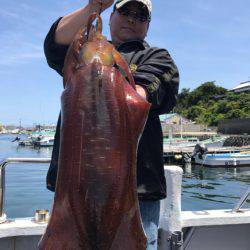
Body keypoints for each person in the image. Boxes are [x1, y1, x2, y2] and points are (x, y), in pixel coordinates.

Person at [44, 0, 179, 249]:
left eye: (140, 16)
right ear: (111, 16)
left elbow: (150, 90)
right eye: (125, 11)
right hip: (73, 192)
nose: (131, 18)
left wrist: (107, 77)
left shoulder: (156, 56)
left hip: (137, 196)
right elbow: (55, 43)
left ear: (148, 26)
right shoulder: (78, 54)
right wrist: (92, 7)